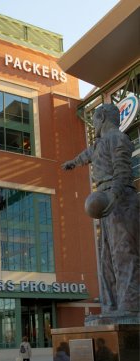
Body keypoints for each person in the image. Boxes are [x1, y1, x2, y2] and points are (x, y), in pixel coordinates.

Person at [62, 103, 139, 318]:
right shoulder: (99, 144)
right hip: (105, 203)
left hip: (120, 200)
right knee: (106, 259)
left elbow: (123, 170)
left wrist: (114, 195)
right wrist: (72, 163)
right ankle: (111, 306)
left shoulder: (118, 138)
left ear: (102, 117)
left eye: (95, 120)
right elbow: (86, 155)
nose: (93, 124)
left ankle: (130, 305)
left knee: (124, 254)